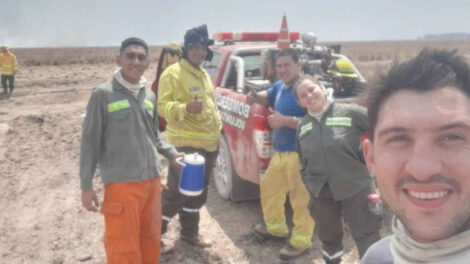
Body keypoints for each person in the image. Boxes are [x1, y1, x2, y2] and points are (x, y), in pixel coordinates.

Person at [362, 49, 470, 264]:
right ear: (371, 158)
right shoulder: (377, 258)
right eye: (398, 139)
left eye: (452, 137)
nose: (422, 169)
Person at [79, 37, 182, 264]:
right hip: (122, 185)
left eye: (141, 57)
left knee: (150, 240)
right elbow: (89, 143)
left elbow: (154, 136)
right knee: (123, 248)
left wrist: (171, 153)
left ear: (147, 63)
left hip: (152, 183)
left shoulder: (150, 96)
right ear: (119, 59)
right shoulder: (102, 95)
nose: (136, 61)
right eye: (130, 56)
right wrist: (86, 186)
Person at [293, 76, 381, 264]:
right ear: (300, 102)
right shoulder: (302, 125)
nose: (309, 96)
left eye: (311, 89)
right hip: (322, 192)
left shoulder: (350, 112)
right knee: (329, 240)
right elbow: (302, 161)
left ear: (322, 88)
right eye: (303, 95)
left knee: (367, 236)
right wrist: (310, 184)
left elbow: (382, 130)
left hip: (356, 186)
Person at [157, 24, 222, 254]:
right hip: (185, 146)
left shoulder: (203, 73)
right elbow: (162, 107)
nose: (199, 52)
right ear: (186, 49)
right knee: (175, 192)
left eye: (203, 48)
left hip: (207, 146)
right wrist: (185, 108)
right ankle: (154, 237)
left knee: (198, 192)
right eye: (194, 47)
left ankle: (189, 233)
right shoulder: (173, 73)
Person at [247, 48, 315, 260]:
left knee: (300, 200)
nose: (283, 69)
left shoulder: (305, 89)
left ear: (299, 65)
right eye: (279, 66)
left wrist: (285, 121)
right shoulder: (280, 86)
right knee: (270, 189)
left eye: (288, 65)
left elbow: (317, 121)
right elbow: (266, 96)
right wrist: (254, 97)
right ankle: (276, 229)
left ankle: (302, 242)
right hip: (281, 154)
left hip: (300, 154)